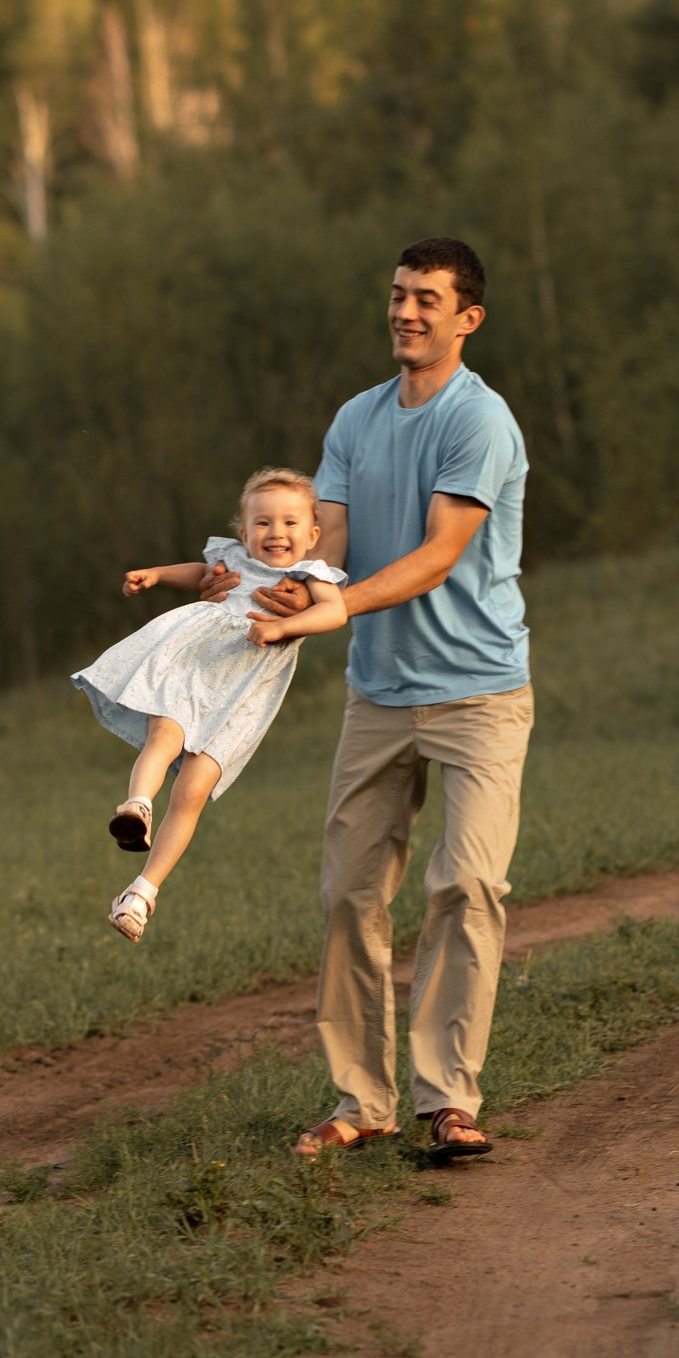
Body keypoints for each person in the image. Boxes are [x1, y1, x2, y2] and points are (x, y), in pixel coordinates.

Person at [247, 240, 530, 1165]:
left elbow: (439, 554)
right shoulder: (355, 420)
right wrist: (282, 588)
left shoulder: (478, 422)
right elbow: (328, 542)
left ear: (466, 319)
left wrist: (336, 605)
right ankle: (361, 1101)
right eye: (400, 296)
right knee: (347, 898)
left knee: (468, 884)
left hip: (481, 692)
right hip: (378, 694)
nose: (407, 313)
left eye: (428, 300)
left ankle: (448, 1099)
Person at [71, 468, 343, 945]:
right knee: (164, 735)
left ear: (313, 534)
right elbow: (200, 574)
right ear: (243, 531)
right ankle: (136, 806)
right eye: (262, 523)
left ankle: (140, 894)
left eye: (289, 523)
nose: (275, 533)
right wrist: (156, 574)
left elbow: (335, 611)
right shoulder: (233, 556)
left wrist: (282, 627)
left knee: (193, 791)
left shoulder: (312, 575)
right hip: (196, 664)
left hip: (245, 692)